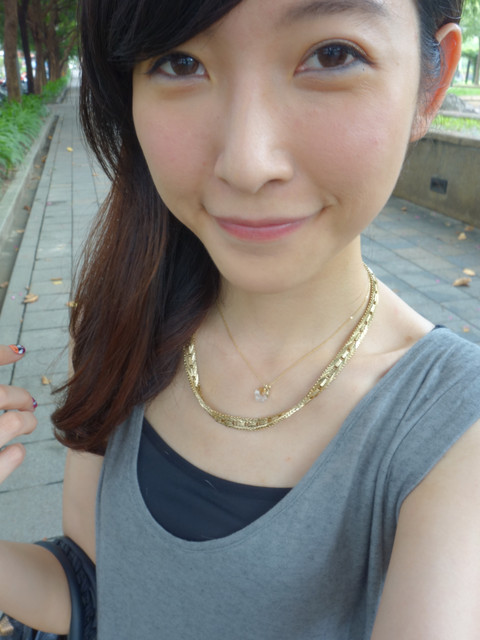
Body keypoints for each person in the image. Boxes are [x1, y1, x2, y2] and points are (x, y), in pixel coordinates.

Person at [1, 0, 479, 637]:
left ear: (432, 82)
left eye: (332, 55)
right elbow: (95, 585)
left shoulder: (452, 431)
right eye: (180, 62)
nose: (247, 164)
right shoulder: (122, 319)